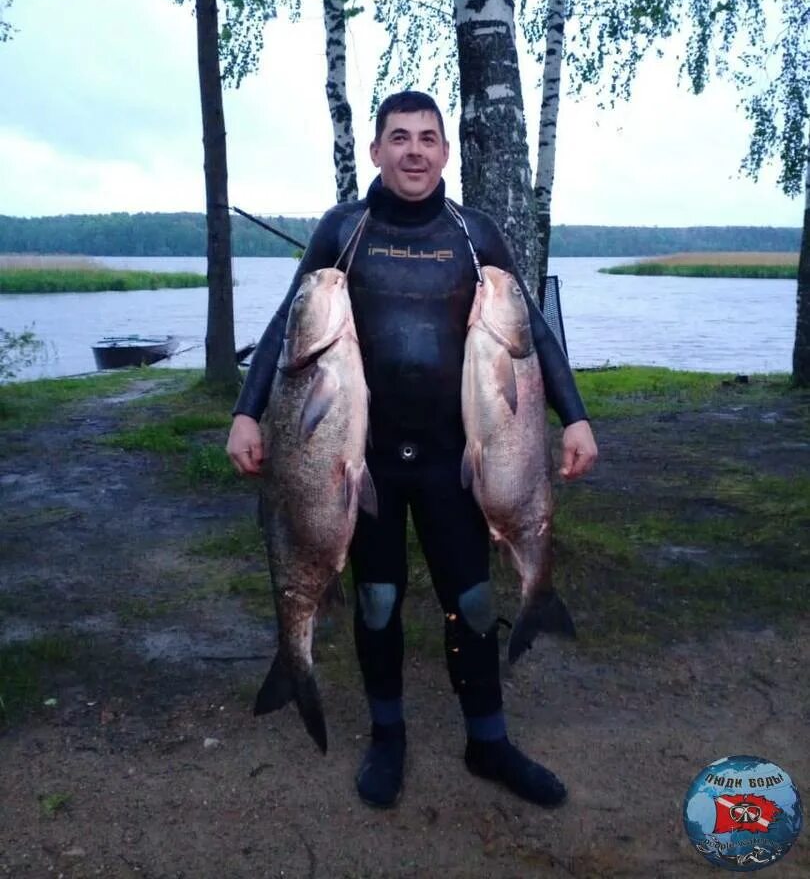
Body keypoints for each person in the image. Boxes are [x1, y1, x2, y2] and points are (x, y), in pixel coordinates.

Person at [226, 91, 597, 810]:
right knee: (377, 599)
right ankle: (387, 734)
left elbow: (532, 334)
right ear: (376, 152)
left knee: (475, 599)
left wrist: (574, 416)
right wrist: (248, 413)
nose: (415, 151)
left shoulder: (474, 232)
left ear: (446, 153)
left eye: (429, 138)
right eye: (400, 138)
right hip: (358, 459)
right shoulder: (345, 229)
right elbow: (287, 325)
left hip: (454, 458)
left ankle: (487, 739)